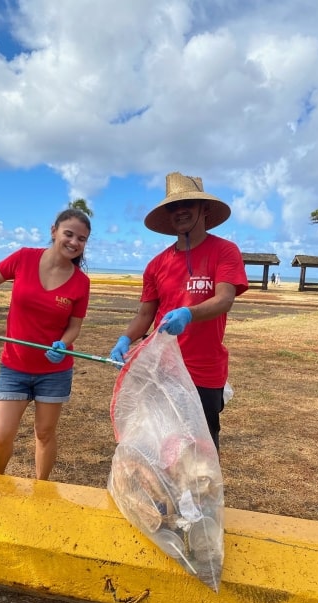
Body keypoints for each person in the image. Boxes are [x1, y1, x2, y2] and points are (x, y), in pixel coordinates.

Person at [110, 172, 248, 453]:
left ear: (204, 209)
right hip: (162, 370)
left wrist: (188, 314)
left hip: (204, 372)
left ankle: (198, 500)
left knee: (201, 451)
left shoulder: (224, 251)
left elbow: (224, 299)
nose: (180, 211)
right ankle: (162, 499)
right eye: (173, 206)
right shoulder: (156, 264)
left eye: (187, 204)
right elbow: (144, 315)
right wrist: (125, 339)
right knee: (162, 446)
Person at [0, 208, 92, 480]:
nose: (74, 242)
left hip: (55, 371)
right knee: (2, 435)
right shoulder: (24, 258)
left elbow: (74, 327)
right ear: (53, 231)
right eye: (69, 234)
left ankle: (41, 490)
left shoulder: (81, 283)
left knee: (44, 433)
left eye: (82, 239)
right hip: (14, 366)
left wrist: (63, 344)